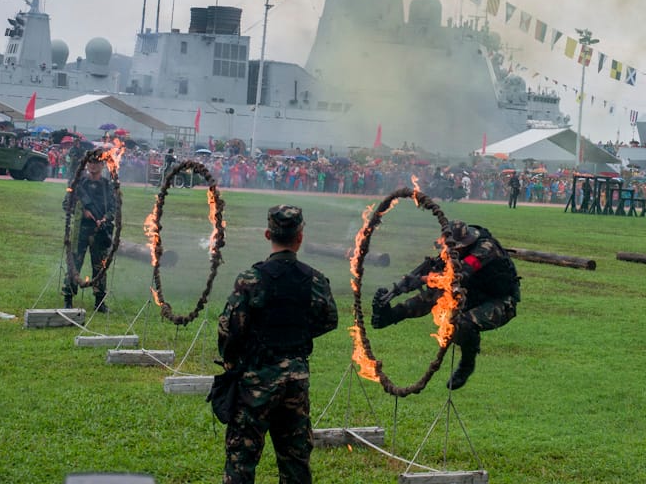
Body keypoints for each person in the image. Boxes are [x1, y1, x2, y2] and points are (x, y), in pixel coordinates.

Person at [217, 205, 338, 484]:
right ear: (300, 237)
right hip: (296, 380)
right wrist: (299, 334)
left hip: (255, 381)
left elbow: (229, 329)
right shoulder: (315, 279)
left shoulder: (251, 279)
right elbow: (329, 319)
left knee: (241, 460)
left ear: (268, 234)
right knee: (295, 462)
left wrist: (232, 363)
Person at [371, 221, 520, 390]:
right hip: (472, 294)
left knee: (462, 324)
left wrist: (423, 279)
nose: (450, 253)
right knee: (433, 296)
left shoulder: (485, 248)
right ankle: (390, 315)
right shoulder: (449, 253)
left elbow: (459, 274)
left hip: (501, 300)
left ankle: (466, 365)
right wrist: (410, 282)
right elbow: (441, 279)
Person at [62, 158, 117, 311]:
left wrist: (105, 218)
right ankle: (68, 298)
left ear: (102, 165)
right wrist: (82, 211)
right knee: (74, 264)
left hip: (100, 232)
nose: (93, 165)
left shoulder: (107, 186)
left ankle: (100, 301)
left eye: (97, 163)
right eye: (91, 162)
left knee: (100, 267)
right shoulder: (78, 184)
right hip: (81, 230)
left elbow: (114, 208)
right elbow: (66, 204)